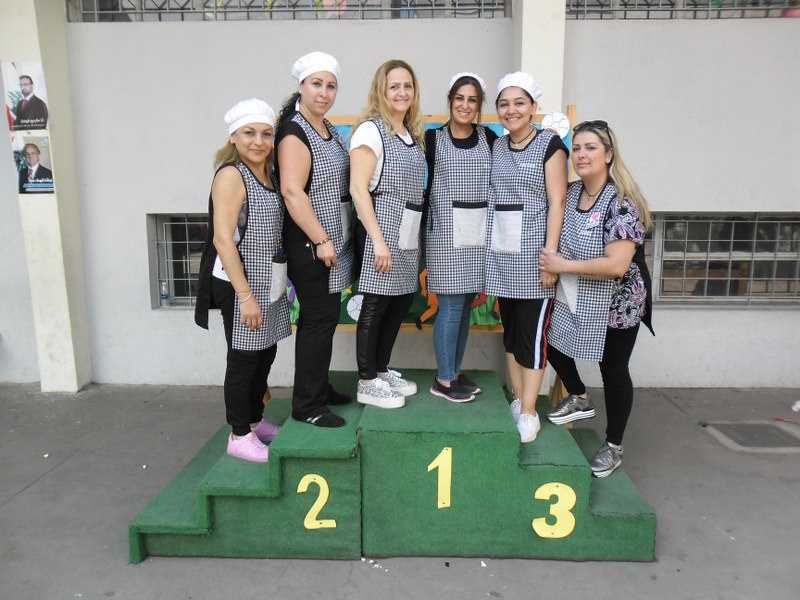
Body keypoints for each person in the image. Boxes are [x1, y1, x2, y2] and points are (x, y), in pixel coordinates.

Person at [540, 120, 654, 478]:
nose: (581, 155)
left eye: (590, 148)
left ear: (608, 154)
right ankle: (579, 395)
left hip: (619, 301)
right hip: (578, 291)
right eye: (576, 148)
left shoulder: (621, 203)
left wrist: (563, 265)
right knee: (549, 341)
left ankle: (614, 446)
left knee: (613, 370)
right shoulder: (572, 192)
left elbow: (617, 265)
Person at [194, 98, 291, 463]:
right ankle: (238, 434)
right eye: (249, 133)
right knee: (244, 358)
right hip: (239, 283)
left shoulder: (269, 174)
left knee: (265, 352)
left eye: (266, 134)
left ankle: (253, 419)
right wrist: (246, 296)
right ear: (233, 136)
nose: (258, 141)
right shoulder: (232, 175)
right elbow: (223, 239)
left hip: (268, 279)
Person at [485, 72, 568, 443]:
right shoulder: (498, 146)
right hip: (502, 256)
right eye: (504, 104)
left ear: (534, 107)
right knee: (512, 334)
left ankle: (531, 411)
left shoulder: (551, 146)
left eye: (519, 103)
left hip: (535, 259)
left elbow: (557, 202)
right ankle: (519, 400)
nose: (511, 110)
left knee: (532, 338)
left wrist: (550, 257)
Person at [275, 51, 354, 428]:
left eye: (331, 86)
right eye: (316, 84)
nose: (324, 92)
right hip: (310, 243)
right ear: (301, 86)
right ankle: (307, 405)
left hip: (329, 241)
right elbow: (293, 192)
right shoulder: (294, 132)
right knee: (319, 319)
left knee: (322, 318)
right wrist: (321, 239)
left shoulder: (327, 128)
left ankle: (318, 387)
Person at [349, 59, 426, 409]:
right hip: (380, 227)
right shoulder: (371, 131)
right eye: (394, 86)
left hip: (407, 228)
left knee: (399, 303)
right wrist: (378, 241)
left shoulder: (411, 133)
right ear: (381, 90)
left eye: (407, 86)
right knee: (377, 304)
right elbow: (358, 189)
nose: (401, 92)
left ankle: (381, 370)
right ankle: (367, 381)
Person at [424, 72, 497, 403]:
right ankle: (443, 380)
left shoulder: (490, 138)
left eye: (472, 100)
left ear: (479, 105)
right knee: (451, 307)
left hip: (478, 236)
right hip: (444, 235)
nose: (465, 105)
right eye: (460, 98)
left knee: (465, 307)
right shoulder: (431, 139)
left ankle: (453, 371)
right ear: (449, 101)